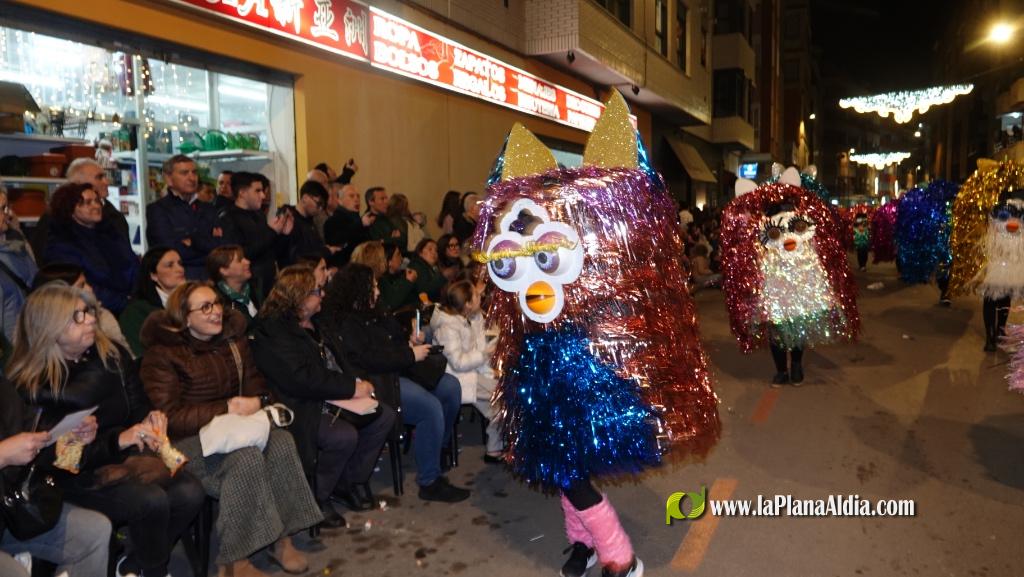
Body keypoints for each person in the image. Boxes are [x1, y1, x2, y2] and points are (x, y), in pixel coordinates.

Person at [8, 283, 205, 577]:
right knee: (150, 501)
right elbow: (62, 462)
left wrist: (152, 419)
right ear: (49, 326)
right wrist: (119, 441)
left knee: (191, 492)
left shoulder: (109, 354)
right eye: (77, 316)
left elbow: (138, 405)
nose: (90, 319)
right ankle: (152, 569)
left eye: (87, 312)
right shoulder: (32, 386)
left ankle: (135, 563)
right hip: (67, 477)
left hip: (121, 454)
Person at [140, 282, 322, 577]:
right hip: (184, 443)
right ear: (185, 318)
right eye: (205, 307)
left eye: (217, 303)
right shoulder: (162, 355)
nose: (216, 313)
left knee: (282, 441)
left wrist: (258, 401)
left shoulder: (233, 342)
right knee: (246, 459)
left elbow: (258, 388)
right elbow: (169, 418)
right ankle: (234, 560)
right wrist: (226, 408)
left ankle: (281, 539)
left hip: (234, 431)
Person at [251, 266, 396, 525]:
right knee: (342, 436)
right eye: (317, 291)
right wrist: (351, 387)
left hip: (332, 393)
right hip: (300, 403)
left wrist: (356, 383)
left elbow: (339, 361)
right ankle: (317, 495)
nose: (323, 295)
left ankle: (350, 481)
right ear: (299, 297)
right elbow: (301, 379)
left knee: (383, 414)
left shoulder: (319, 322)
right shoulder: (274, 331)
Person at [325, 264, 468, 502]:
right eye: (373, 286)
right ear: (359, 290)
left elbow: (393, 339)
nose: (378, 291)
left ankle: (436, 447)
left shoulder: (376, 310)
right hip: (380, 381)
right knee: (430, 408)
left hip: (401, 368)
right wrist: (410, 355)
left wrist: (411, 340)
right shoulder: (346, 322)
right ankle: (429, 481)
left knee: (451, 387)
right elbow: (369, 359)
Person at [721, 170, 860, 386]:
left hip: (797, 289)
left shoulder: (801, 225)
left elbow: (819, 249)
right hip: (774, 289)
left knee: (794, 330)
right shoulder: (764, 230)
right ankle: (784, 370)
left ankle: (793, 368)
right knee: (779, 331)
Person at [0, 377, 111, 577]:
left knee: (95, 532)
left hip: (10, 511)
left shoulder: (3, 389)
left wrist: (70, 433)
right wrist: (3, 455)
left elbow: (33, 426)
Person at [429, 280, 504, 462]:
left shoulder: (465, 317)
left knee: (499, 403)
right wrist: (486, 353)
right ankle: (496, 447)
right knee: (503, 394)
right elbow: (458, 363)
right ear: (467, 304)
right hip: (457, 380)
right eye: (477, 296)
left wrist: (477, 312)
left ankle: (495, 450)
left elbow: (477, 337)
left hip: (471, 373)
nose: (481, 296)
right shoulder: (448, 327)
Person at [43, 182, 139, 315]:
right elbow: (80, 286)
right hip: (95, 311)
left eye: (97, 201)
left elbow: (132, 266)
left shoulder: (112, 232)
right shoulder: (62, 245)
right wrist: (125, 302)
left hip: (130, 304)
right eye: (87, 203)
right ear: (70, 210)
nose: (96, 206)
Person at [146, 155, 223, 279]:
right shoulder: (158, 210)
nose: (192, 178)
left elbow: (221, 249)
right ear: (168, 178)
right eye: (184, 173)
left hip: (211, 279)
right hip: (179, 282)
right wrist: (207, 246)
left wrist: (193, 241)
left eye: (194, 172)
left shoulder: (209, 209)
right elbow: (171, 252)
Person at [217, 171, 291, 300]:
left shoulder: (259, 215)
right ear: (242, 193)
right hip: (248, 286)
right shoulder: (228, 218)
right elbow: (240, 254)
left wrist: (283, 235)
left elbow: (269, 250)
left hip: (268, 281)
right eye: (258, 191)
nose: (263, 196)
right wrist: (272, 232)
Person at [32, 262, 132, 355]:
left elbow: (126, 356)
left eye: (87, 282)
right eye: (81, 286)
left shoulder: (102, 316)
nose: (89, 289)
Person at [118, 247, 186, 357]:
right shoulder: (135, 312)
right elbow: (141, 355)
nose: (180, 269)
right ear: (153, 275)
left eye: (180, 263)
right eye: (170, 265)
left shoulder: (193, 301)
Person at [0, 186, 37, 342]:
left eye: (6, 207)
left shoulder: (17, 245)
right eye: (2, 209)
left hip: (29, 344)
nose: (7, 214)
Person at [350, 241, 418, 312]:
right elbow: (390, 303)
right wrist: (407, 283)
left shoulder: (376, 278)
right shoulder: (371, 282)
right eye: (382, 258)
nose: (384, 260)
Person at [208, 245, 260, 328]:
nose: (247, 262)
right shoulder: (217, 301)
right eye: (240, 260)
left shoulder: (255, 288)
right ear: (224, 271)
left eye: (245, 258)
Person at [279, 180, 329, 268]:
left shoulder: (310, 221)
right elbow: (296, 254)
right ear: (305, 198)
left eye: (323, 206)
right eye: (318, 203)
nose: (320, 209)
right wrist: (325, 251)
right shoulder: (289, 218)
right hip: (294, 274)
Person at [323, 183, 372, 267]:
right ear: (340, 201)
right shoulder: (333, 221)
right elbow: (338, 241)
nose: (356, 199)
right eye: (351, 196)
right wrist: (360, 224)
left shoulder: (359, 219)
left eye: (358, 196)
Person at [408, 238, 447, 304]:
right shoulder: (416, 265)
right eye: (430, 249)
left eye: (436, 250)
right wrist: (443, 276)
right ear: (420, 253)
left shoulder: (434, 268)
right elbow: (424, 290)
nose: (434, 252)